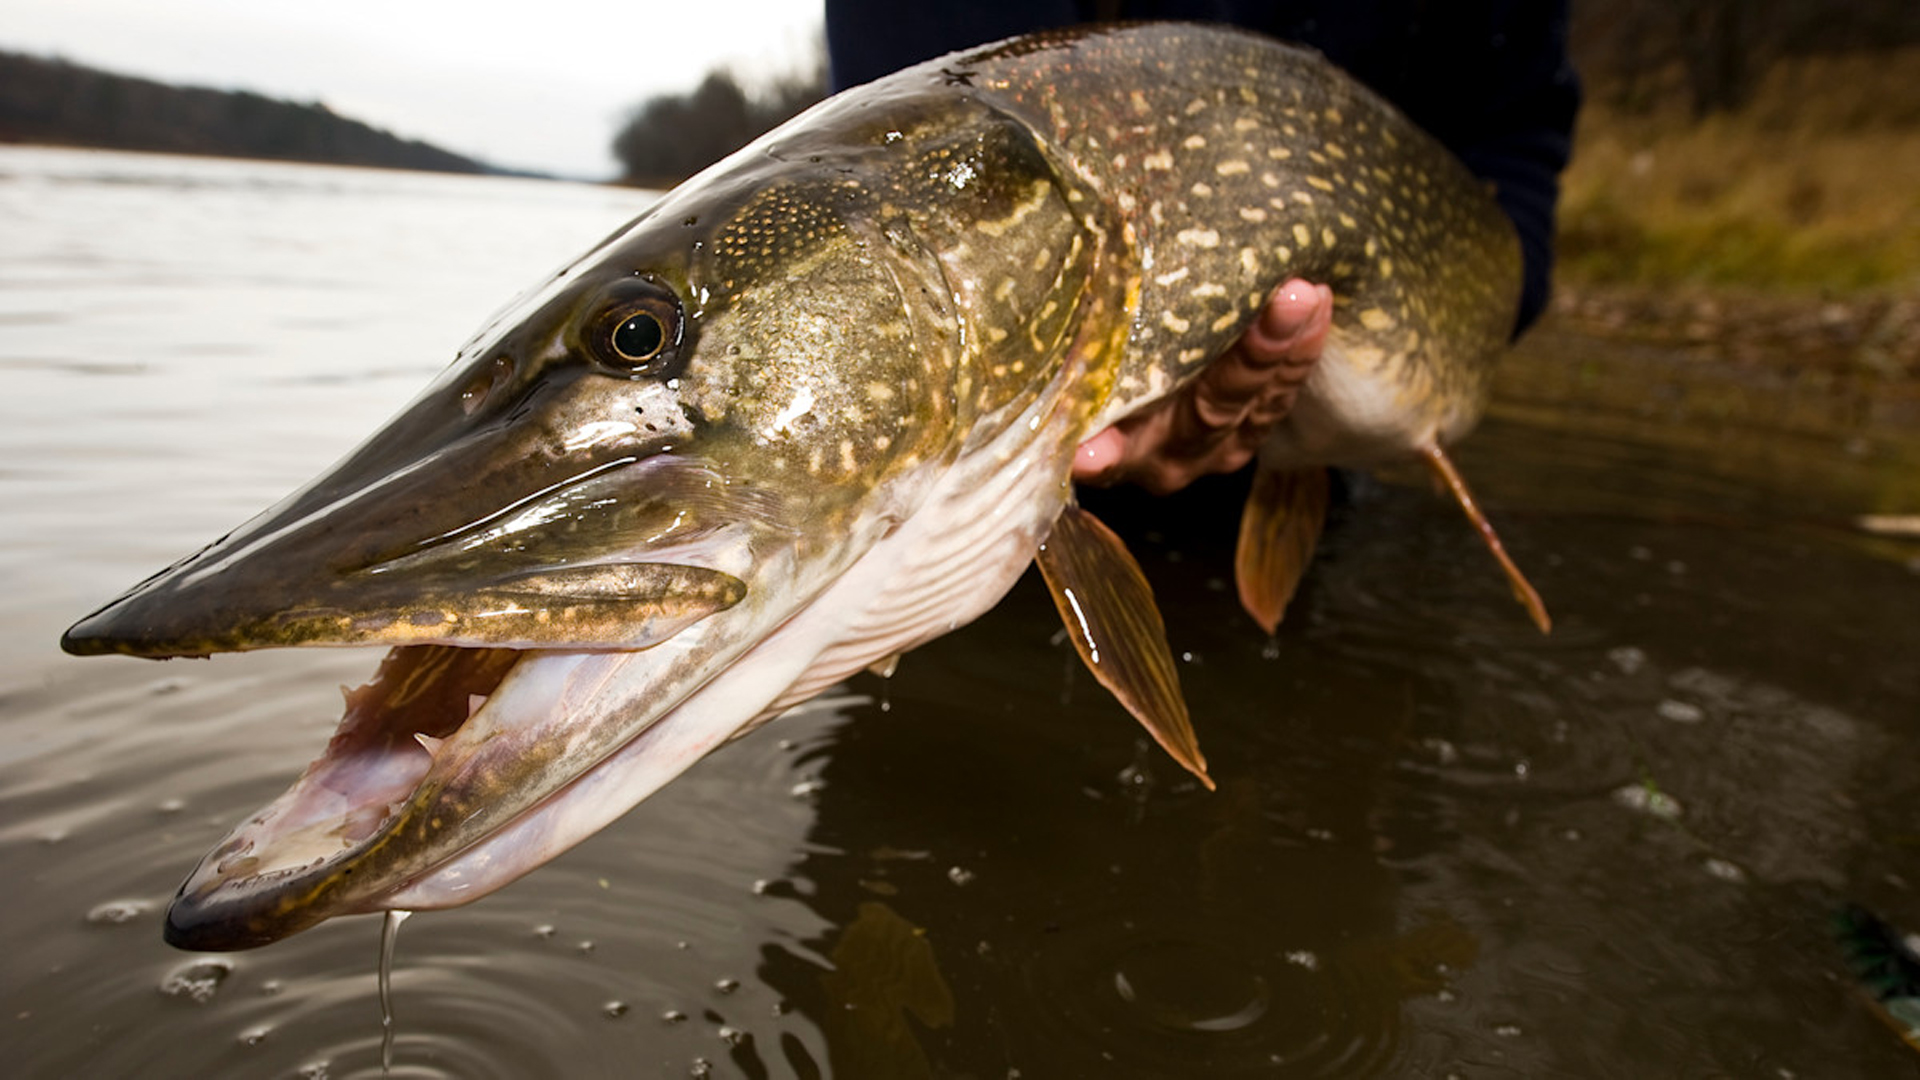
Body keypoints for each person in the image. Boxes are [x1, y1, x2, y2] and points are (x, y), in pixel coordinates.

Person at [826, 1, 1580, 494]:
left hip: (1342, 400)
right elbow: (902, 146)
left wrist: (1496, 301)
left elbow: (1515, 134)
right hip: (1016, 460)